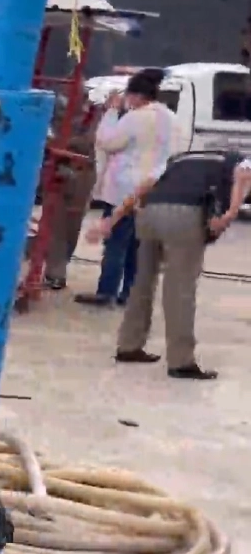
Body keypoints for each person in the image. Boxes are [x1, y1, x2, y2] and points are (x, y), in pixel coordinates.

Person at [85, 150, 251, 380]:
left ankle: (128, 345)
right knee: (180, 287)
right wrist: (228, 215)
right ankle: (181, 361)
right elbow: (244, 176)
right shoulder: (239, 160)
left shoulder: (179, 159)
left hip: (149, 213)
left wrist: (112, 219)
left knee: (141, 281)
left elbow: (145, 186)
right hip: (184, 214)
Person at [76, 68, 181, 307]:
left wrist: (112, 111)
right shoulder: (171, 118)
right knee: (138, 245)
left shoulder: (136, 117)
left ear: (136, 95)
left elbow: (107, 142)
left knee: (115, 242)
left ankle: (106, 292)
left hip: (125, 186)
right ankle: (130, 294)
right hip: (154, 186)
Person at [42, 96, 102, 290]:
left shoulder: (94, 117)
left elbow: (89, 143)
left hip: (80, 175)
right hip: (63, 173)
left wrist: (64, 144)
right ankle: (55, 272)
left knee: (69, 226)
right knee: (58, 226)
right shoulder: (59, 120)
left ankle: (58, 270)